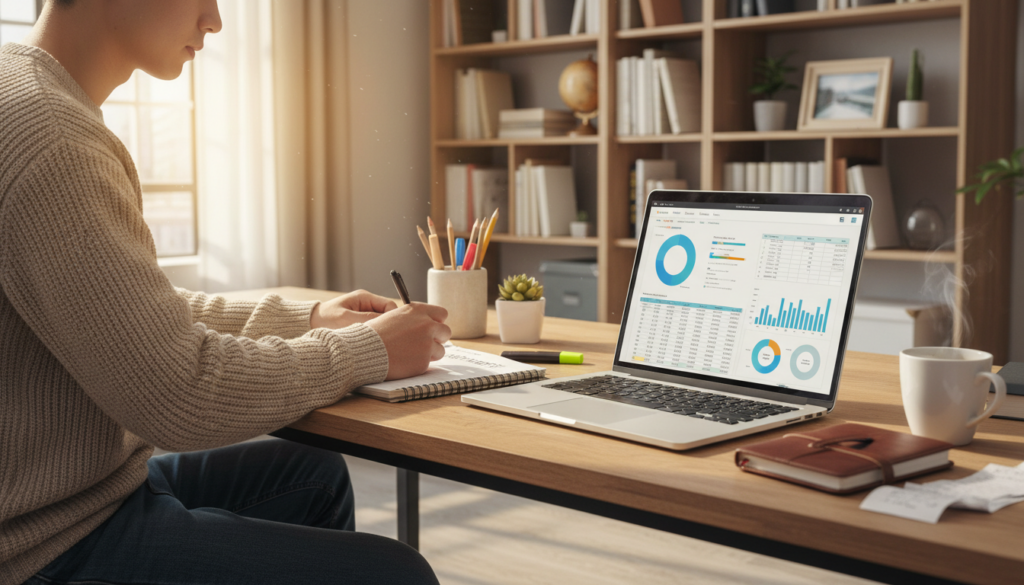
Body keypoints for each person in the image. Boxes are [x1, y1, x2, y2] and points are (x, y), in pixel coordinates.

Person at [0, 0, 449, 583]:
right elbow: (179, 395)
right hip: (43, 544)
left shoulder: (23, 91)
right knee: (397, 574)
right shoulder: (55, 140)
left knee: (311, 474)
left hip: (74, 494)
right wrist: (369, 351)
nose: (214, 19)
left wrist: (309, 318)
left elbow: (116, 312)